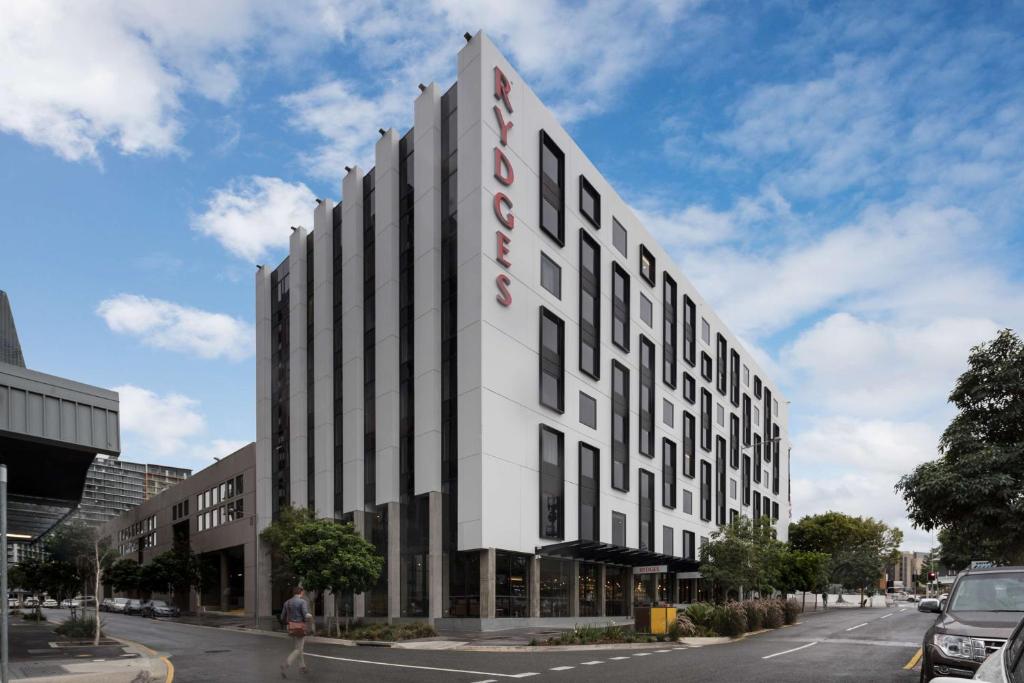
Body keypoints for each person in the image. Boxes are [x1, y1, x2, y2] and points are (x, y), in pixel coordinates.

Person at [280, 586, 311, 678]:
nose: (303, 594)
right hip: (300, 628)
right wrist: (309, 616)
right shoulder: (302, 602)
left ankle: (302, 667)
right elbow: (306, 614)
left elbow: (282, 617)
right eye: (303, 592)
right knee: (298, 649)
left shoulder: (287, 602)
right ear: (300, 592)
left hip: (290, 627)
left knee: (298, 647)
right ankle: (286, 664)